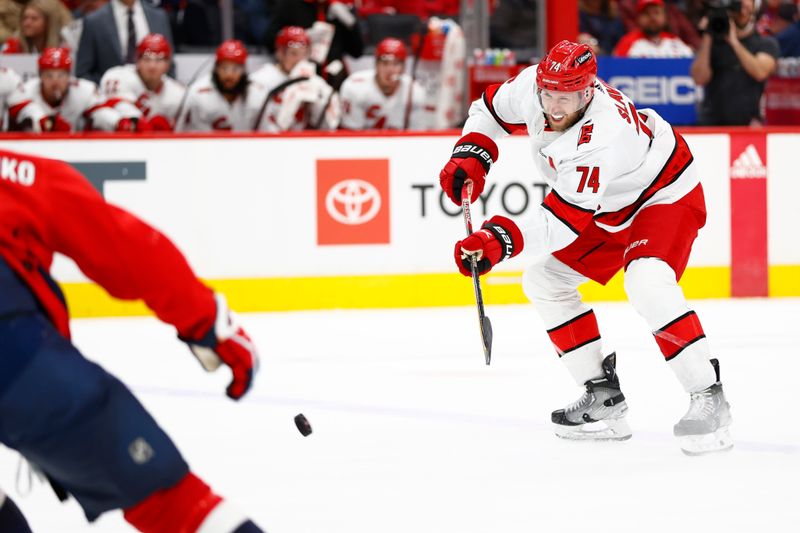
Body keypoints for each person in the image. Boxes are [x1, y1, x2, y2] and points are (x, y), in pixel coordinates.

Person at [438, 39, 733, 455]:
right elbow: (487, 109)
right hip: (607, 203)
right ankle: (603, 398)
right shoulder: (532, 87)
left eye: (569, 97)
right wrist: (473, 153)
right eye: (550, 95)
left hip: (663, 192)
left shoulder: (600, 135)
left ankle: (709, 395)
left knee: (647, 283)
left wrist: (497, 240)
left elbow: (560, 222)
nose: (556, 108)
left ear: (589, 91)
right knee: (545, 280)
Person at [0, 147, 264, 532]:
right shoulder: (14, 173)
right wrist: (208, 322)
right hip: (13, 354)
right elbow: (122, 246)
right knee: (171, 504)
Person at [691, 0, 779, 125]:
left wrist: (734, 41)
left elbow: (760, 72)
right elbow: (699, 78)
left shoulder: (766, 43)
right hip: (711, 124)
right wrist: (709, 33)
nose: (741, 8)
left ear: (754, 7)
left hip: (749, 124)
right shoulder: (713, 43)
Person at [8, 47, 134, 132]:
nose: (55, 82)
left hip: (75, 151)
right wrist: (46, 123)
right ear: (40, 76)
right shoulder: (27, 90)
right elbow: (23, 114)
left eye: (61, 75)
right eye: (49, 75)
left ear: (69, 76)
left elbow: (101, 112)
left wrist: (118, 122)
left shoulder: (84, 90)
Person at [249, 26, 340, 132]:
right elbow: (253, 122)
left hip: (304, 142)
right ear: (280, 53)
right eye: (293, 53)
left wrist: (318, 102)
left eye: (304, 54)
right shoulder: (261, 80)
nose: (299, 60)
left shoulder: (315, 82)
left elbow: (329, 126)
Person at [264, 0, 364, 90]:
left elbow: (357, 51)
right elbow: (269, 41)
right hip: (299, 82)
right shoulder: (289, 4)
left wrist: (351, 24)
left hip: (334, 82)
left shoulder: (340, 5)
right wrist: (299, 37)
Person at [177, 39, 273, 132]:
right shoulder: (197, 93)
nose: (229, 75)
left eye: (235, 69)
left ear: (244, 70)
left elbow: (266, 133)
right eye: (224, 68)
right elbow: (187, 135)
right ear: (216, 68)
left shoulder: (259, 94)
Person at [99, 33, 185, 131]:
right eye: (147, 59)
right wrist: (139, 122)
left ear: (168, 64)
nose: (152, 66)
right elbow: (113, 111)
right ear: (137, 60)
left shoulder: (177, 93)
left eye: (158, 59)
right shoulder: (119, 77)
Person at [339, 37, 428, 130]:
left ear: (404, 68)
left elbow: (417, 136)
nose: (390, 70)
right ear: (376, 65)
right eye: (385, 63)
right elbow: (351, 136)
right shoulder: (355, 87)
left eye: (396, 63)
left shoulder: (414, 91)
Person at [76, 0, 173, 84]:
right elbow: (83, 73)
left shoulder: (159, 17)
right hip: (110, 100)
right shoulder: (94, 22)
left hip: (154, 99)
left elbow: (170, 63)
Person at [613, 0, 694, 57]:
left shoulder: (675, 42)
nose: (652, 17)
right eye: (646, 13)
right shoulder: (627, 43)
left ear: (665, 16)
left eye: (656, 12)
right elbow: (614, 68)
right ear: (638, 18)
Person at [1, 0, 72, 53]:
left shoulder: (64, 45)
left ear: (48, 22)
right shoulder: (13, 44)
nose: (27, 23)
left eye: (34, 19)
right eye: (25, 18)